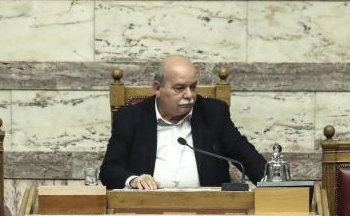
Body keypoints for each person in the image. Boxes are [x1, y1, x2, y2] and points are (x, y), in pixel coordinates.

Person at [100, 55, 266, 190]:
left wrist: (276, 187)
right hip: (147, 212)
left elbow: (247, 158)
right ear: (157, 88)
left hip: (208, 213)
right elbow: (109, 171)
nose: (189, 95)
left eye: (193, 87)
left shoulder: (213, 113)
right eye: (179, 88)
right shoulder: (130, 117)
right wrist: (134, 180)